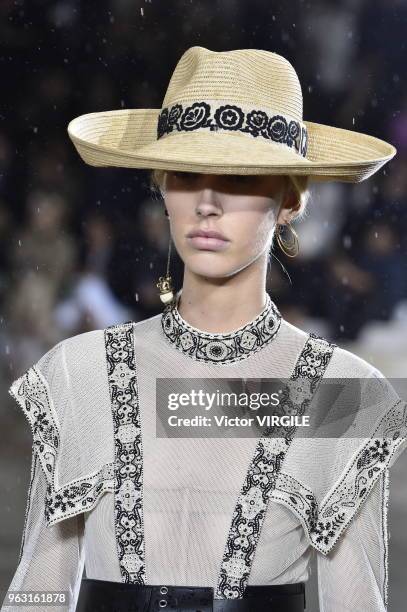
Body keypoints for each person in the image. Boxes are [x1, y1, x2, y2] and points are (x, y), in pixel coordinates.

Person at [2, 46, 406, 612]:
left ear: (291, 198)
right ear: (163, 186)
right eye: (188, 174)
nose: (208, 204)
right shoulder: (81, 373)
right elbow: (39, 589)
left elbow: (356, 602)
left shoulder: (342, 394)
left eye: (241, 178)